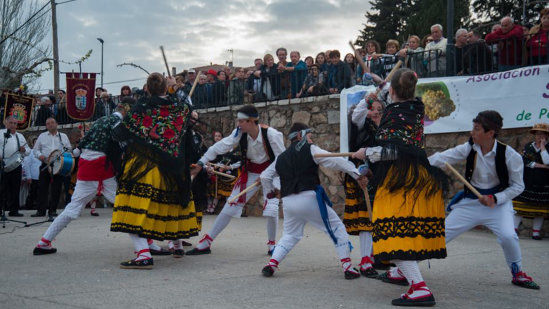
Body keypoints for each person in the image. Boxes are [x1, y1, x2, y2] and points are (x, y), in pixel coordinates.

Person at [353, 69, 448, 306]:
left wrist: (367, 153)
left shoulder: (395, 114)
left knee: (391, 234)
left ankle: (419, 287)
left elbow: (393, 151)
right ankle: (404, 274)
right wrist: (380, 83)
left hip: (400, 181)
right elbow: (392, 97)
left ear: (393, 91)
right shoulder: (415, 109)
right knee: (403, 232)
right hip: (419, 177)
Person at [428, 110, 539, 290]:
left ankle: (517, 272)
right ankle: (404, 270)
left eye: (477, 129)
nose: (472, 132)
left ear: (490, 133)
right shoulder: (469, 147)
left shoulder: (511, 155)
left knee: (508, 236)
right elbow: (443, 157)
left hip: (498, 205)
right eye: (473, 128)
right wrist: (419, 163)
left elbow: (518, 186)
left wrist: (496, 198)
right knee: (440, 234)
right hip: (471, 202)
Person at [109, 73, 199, 269]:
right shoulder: (179, 108)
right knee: (163, 208)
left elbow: (119, 133)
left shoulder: (142, 106)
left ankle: (143, 254)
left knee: (132, 209)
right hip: (170, 168)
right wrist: (176, 89)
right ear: (165, 88)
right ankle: (172, 246)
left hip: (143, 166)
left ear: (147, 89)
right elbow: (190, 111)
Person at [261, 122, 366, 280]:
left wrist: (271, 191)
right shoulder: (310, 149)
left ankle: (272, 264)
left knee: (290, 235)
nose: (311, 140)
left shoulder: (280, 158)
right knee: (337, 227)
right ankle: (348, 267)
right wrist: (357, 174)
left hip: (289, 201)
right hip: (309, 198)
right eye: (309, 136)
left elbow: (264, 176)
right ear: (300, 135)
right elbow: (337, 161)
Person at [186, 105, 285, 256]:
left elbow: (281, 159)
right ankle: (206, 242)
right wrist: (201, 163)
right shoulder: (239, 132)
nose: (238, 124)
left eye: (241, 121)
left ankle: (272, 245)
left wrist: (266, 174)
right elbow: (221, 146)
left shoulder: (272, 134)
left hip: (272, 173)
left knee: (271, 209)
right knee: (231, 204)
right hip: (251, 171)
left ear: (252, 121)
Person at [32, 105, 126, 255]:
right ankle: (146, 247)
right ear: (125, 111)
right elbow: (123, 146)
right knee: (126, 206)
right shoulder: (119, 123)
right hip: (102, 170)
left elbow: (77, 151)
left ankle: (43, 242)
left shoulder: (100, 121)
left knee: (72, 208)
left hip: (86, 170)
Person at [344, 92, 385, 277]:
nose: (375, 112)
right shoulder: (362, 123)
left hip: (381, 177)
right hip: (363, 176)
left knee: (379, 218)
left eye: (379, 109)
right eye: (372, 109)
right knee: (366, 220)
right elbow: (357, 114)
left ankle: (377, 255)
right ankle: (365, 261)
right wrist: (366, 100)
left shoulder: (385, 129)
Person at [513, 123, 549, 240]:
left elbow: (547, 161)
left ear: (546, 136)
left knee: (540, 209)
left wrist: (543, 147)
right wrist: (542, 166)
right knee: (520, 207)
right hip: (527, 180)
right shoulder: (528, 146)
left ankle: (536, 233)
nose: (539, 136)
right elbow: (525, 161)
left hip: (543, 182)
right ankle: (513, 230)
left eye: (542, 134)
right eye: (537, 134)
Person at [32, 117, 73, 218]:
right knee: (42, 188)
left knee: (56, 188)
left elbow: (68, 149)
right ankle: (40, 211)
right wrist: (40, 156)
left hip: (58, 166)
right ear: (46, 126)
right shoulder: (42, 136)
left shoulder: (63, 136)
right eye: (48, 123)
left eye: (52, 123)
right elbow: (35, 150)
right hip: (45, 164)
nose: (50, 125)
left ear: (56, 124)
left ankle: (52, 210)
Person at [0, 116, 31, 217]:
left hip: (16, 165)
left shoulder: (20, 136)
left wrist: (24, 150)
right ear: (6, 123)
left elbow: (28, 151)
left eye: (15, 123)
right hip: (2, 164)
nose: (13, 125)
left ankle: (14, 210)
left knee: (15, 188)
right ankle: (1, 210)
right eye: (11, 123)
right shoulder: (1, 134)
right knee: (2, 188)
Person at [206, 131, 241, 215]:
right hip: (224, 174)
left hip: (234, 174)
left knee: (231, 193)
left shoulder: (239, 149)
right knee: (217, 191)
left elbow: (240, 162)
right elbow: (223, 161)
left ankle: (231, 210)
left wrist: (230, 167)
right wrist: (217, 166)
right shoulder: (225, 149)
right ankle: (212, 208)